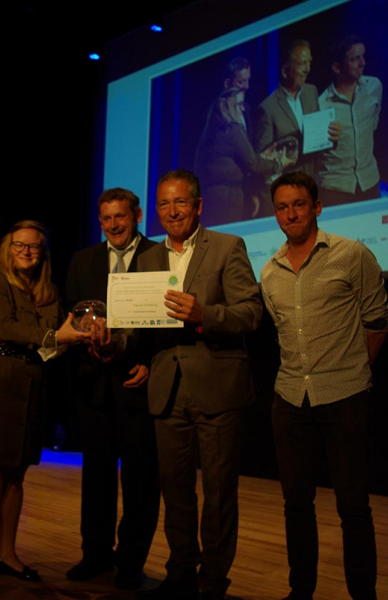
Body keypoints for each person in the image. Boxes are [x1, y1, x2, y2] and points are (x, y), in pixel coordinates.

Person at [260, 172, 388, 600]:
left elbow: (377, 324)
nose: (290, 213)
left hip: (344, 398)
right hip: (289, 399)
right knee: (296, 505)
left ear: (317, 207)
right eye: (282, 206)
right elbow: (281, 332)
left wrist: (352, 371)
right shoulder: (270, 270)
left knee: (353, 507)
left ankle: (363, 595)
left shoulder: (352, 255)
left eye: (299, 204)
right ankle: (301, 591)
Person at [137, 169, 262, 600]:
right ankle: (179, 574)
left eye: (181, 203)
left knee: (219, 494)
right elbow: (138, 327)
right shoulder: (148, 258)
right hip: (167, 390)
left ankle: (213, 582)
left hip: (218, 389)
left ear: (199, 205)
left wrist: (204, 314)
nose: (172, 212)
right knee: (176, 492)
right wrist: (109, 341)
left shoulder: (228, 247)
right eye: (164, 205)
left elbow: (251, 312)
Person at [0, 220, 89, 596]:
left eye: (34, 247)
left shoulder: (47, 289)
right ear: (7, 248)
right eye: (20, 246)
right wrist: (54, 337)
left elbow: (51, 338)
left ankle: (8, 555)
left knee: (15, 474)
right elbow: (5, 326)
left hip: (28, 380)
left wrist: (69, 338)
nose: (27, 253)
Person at [64, 188, 160, 590]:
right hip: (95, 386)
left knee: (140, 480)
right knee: (96, 477)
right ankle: (95, 555)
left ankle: (130, 562)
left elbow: (164, 321)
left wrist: (153, 365)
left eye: (121, 216)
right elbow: (70, 317)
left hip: (137, 383)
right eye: (106, 218)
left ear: (136, 215)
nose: (114, 225)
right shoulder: (83, 260)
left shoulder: (159, 257)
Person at [195, 86, 290, 224]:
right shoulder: (233, 129)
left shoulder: (212, 130)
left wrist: (261, 157)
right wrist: (279, 164)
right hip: (228, 199)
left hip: (210, 198)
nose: (243, 109)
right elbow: (254, 164)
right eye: (239, 105)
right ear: (227, 107)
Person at [254, 40, 341, 179]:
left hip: (313, 183)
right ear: (285, 71)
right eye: (301, 64)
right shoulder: (267, 109)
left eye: (309, 63)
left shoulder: (311, 92)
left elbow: (317, 141)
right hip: (287, 190)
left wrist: (331, 137)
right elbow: (261, 161)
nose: (307, 69)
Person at [318, 35, 382, 205]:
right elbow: (314, 153)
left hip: (370, 183)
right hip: (336, 190)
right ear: (337, 67)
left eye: (363, 56)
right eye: (355, 59)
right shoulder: (322, 104)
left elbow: (373, 124)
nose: (363, 63)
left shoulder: (374, 87)